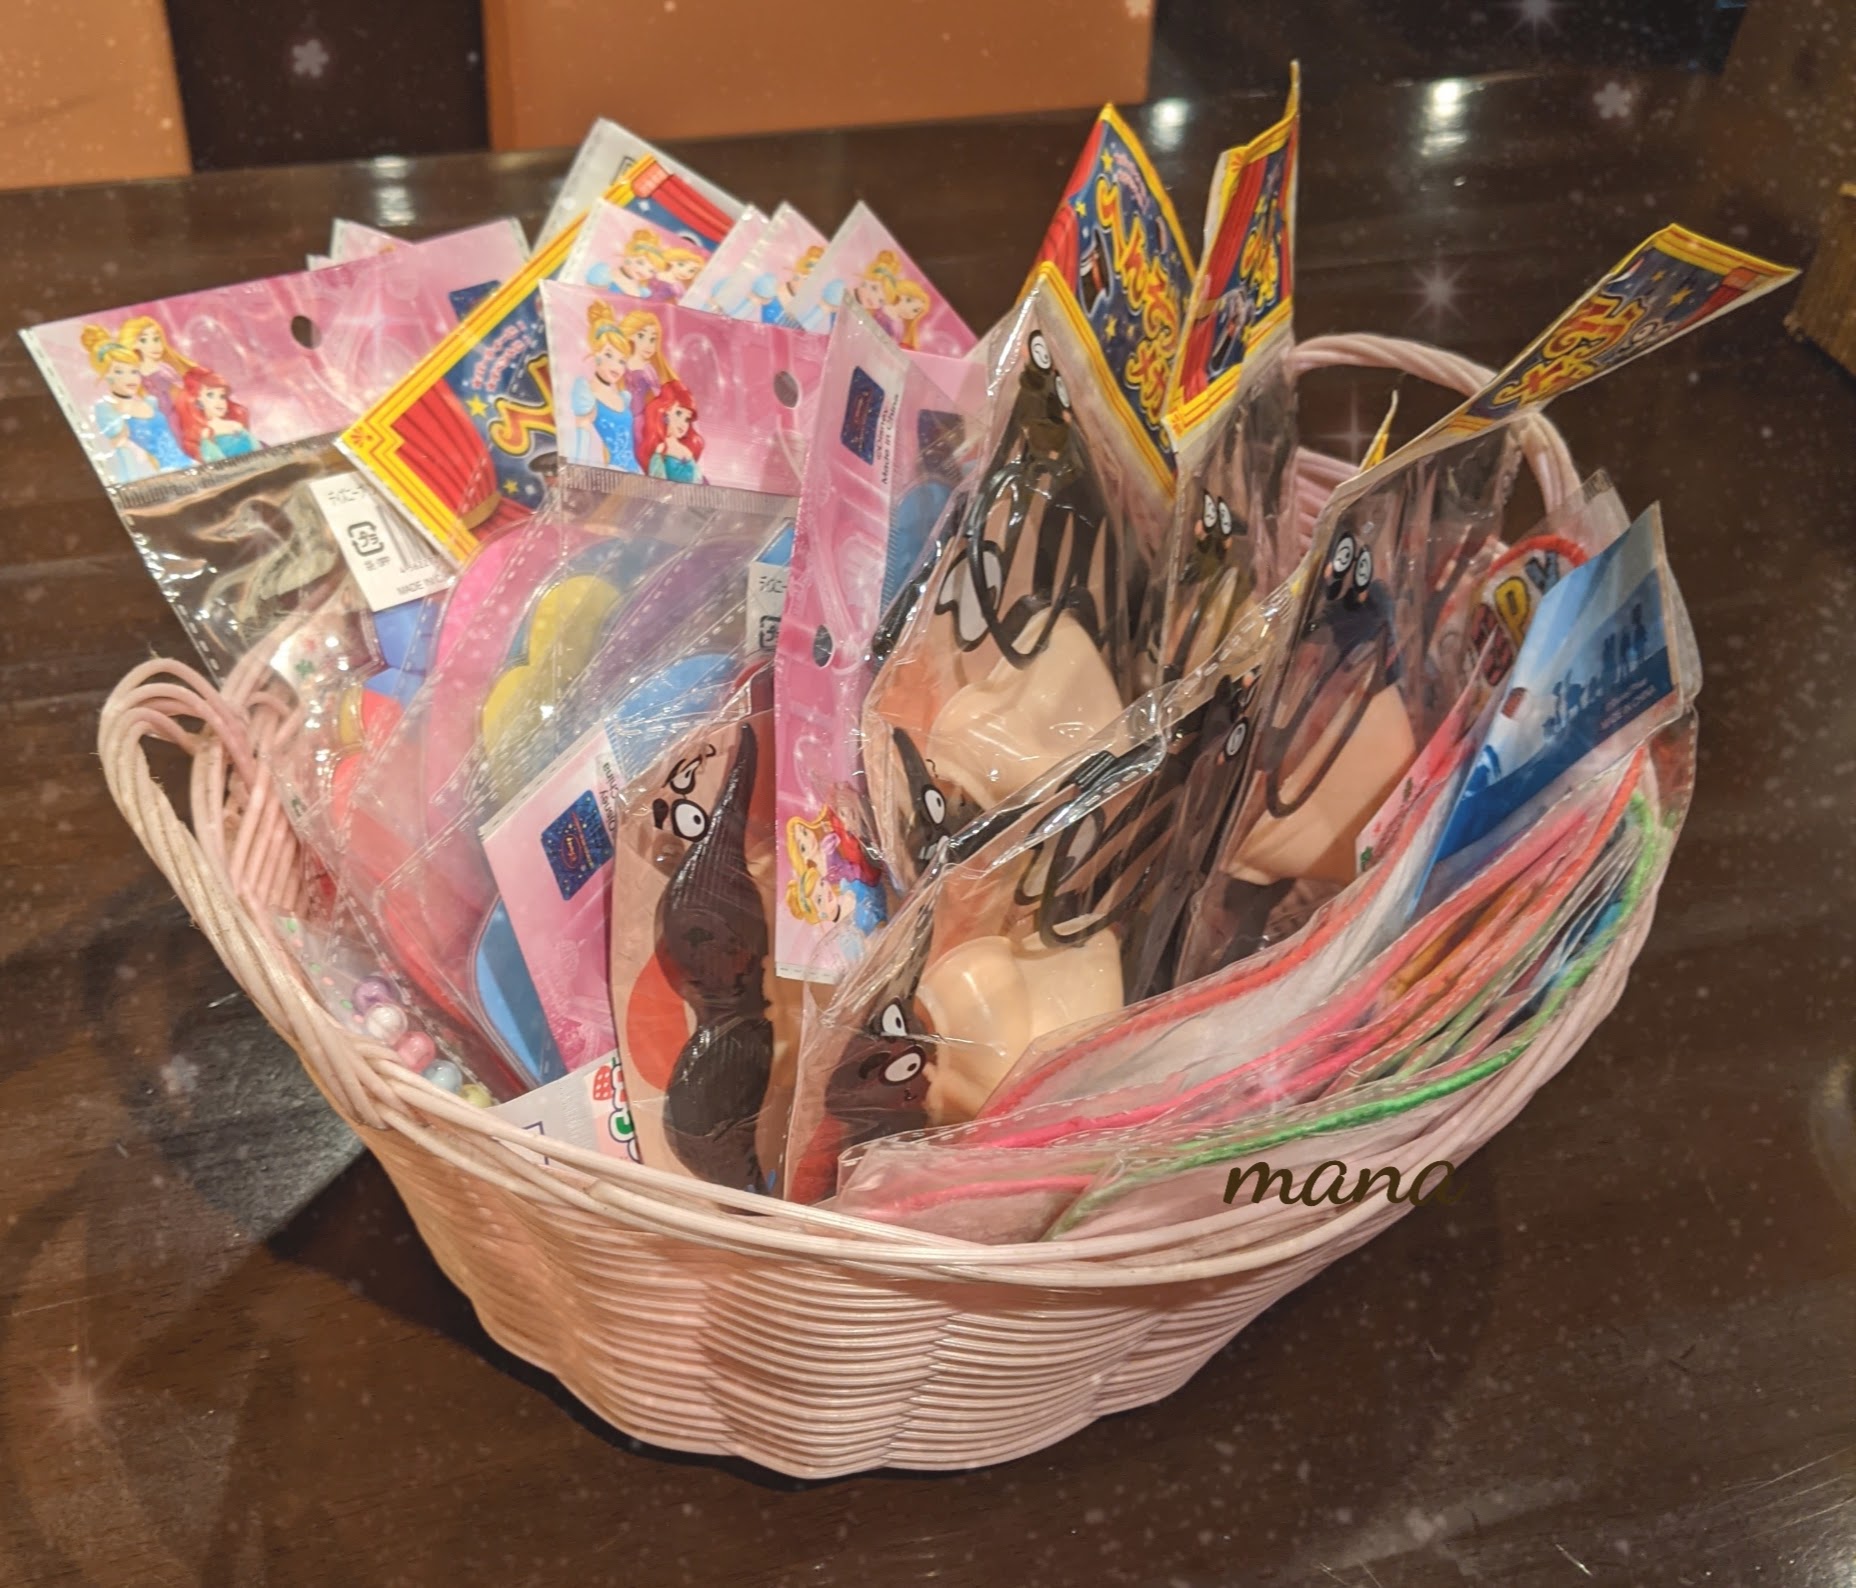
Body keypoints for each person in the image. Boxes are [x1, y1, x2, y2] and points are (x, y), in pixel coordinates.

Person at [80, 325, 190, 480]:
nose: (130, 378)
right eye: (119, 371)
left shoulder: (150, 402)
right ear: (105, 375)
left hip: (185, 465)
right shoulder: (107, 410)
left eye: (134, 371)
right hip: (153, 477)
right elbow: (126, 454)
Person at [569, 302, 640, 470]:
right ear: (596, 353)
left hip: (636, 471)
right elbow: (580, 454)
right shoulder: (587, 396)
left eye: (622, 361)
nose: (617, 366)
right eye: (609, 355)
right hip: (615, 473)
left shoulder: (622, 397)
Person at [172, 366, 258, 461]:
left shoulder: (235, 425)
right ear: (198, 400)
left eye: (222, 396)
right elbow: (215, 460)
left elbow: (256, 448)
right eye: (210, 395)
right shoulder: (204, 432)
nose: (219, 401)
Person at [641, 380, 704, 484]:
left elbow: (698, 483)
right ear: (665, 412)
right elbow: (657, 485)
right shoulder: (661, 449)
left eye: (687, 419)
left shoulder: (687, 451)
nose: (683, 423)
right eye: (678, 413)